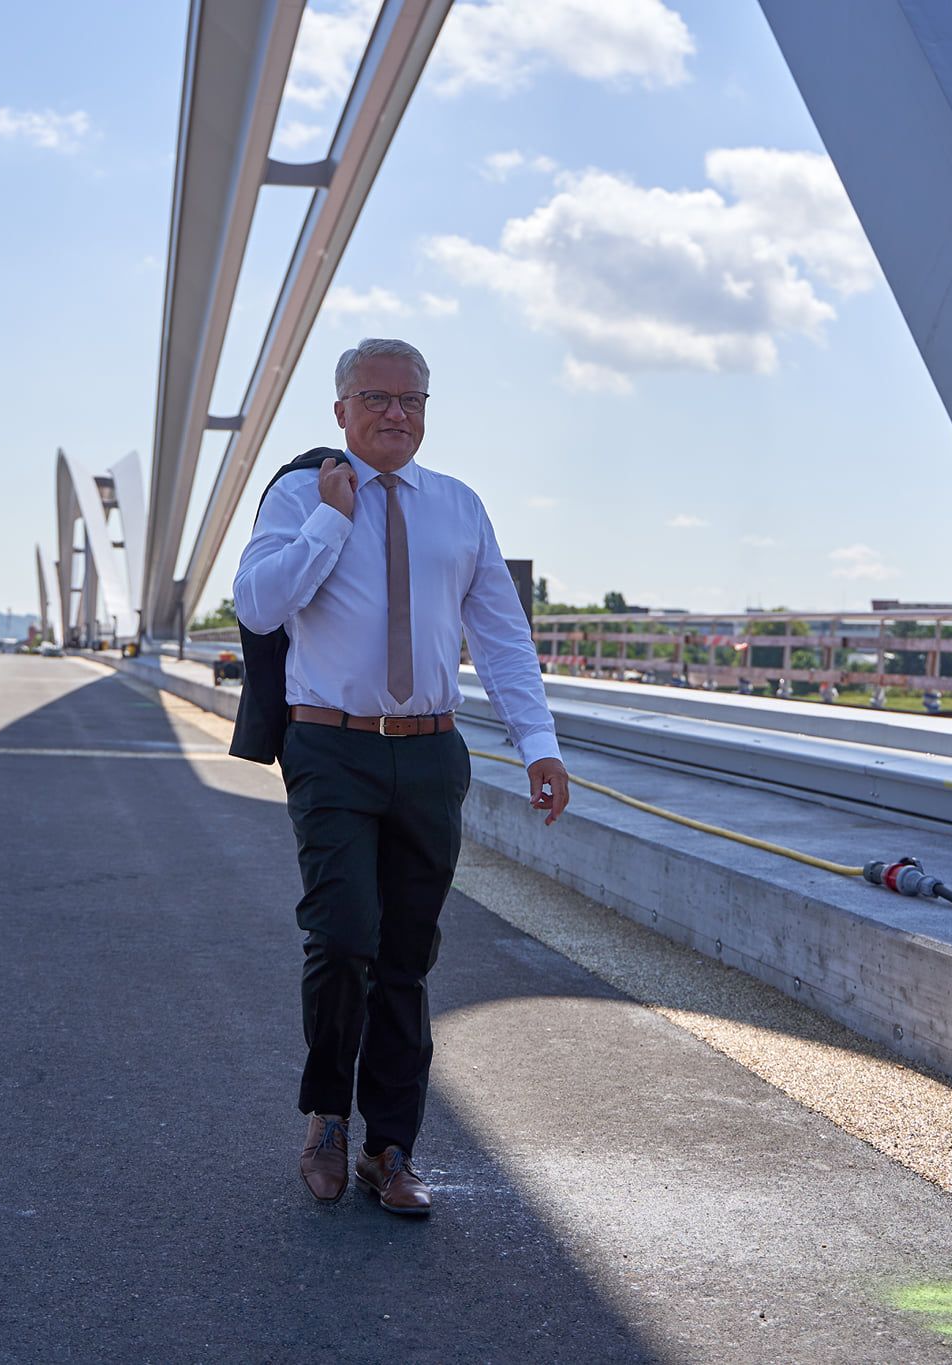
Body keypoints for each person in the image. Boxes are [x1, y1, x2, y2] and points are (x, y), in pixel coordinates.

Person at [233, 337, 570, 1216]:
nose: (395, 414)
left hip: (427, 752)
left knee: (408, 957)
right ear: (339, 410)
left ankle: (391, 1147)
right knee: (343, 936)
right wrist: (331, 521)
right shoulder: (300, 493)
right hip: (331, 747)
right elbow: (259, 603)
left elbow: (501, 635)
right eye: (376, 398)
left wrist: (539, 743)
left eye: (411, 400)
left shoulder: (458, 507)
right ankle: (325, 1116)